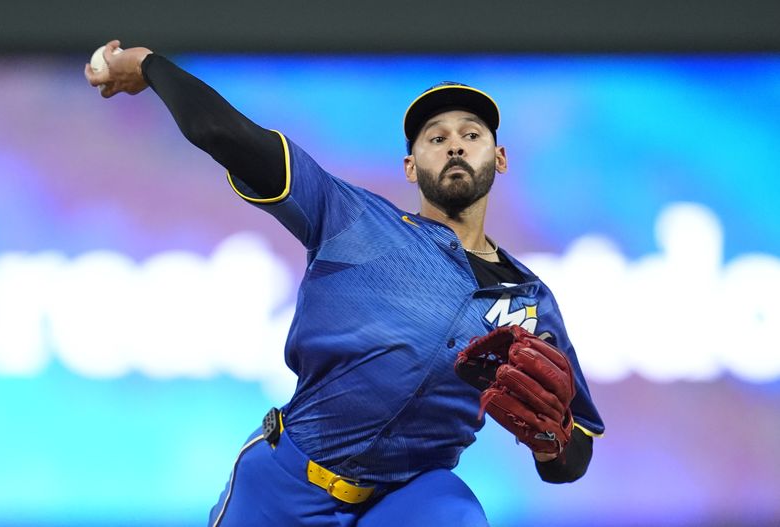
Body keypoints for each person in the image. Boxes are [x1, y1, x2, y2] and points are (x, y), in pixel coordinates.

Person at [85, 40, 605, 527]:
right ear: (409, 165)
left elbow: (572, 451)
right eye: (436, 138)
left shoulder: (532, 303)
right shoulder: (349, 217)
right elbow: (223, 135)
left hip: (409, 500)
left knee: (457, 515)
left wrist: (551, 445)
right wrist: (151, 64)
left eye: (471, 135)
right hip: (287, 484)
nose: (454, 147)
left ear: (500, 157)